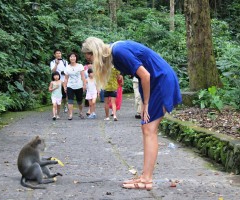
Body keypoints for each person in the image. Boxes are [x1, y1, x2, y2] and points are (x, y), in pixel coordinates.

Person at [82, 37, 182, 190]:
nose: (90, 62)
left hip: (161, 80)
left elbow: (146, 75)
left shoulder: (118, 51)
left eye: (89, 58)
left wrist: (146, 103)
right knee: (146, 128)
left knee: (149, 130)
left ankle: (147, 180)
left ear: (94, 52)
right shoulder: (115, 54)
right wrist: (144, 101)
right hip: (155, 82)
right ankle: (144, 176)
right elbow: (143, 75)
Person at [63, 52, 86, 120]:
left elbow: (83, 76)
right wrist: (65, 86)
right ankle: (70, 115)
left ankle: (81, 112)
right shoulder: (67, 67)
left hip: (79, 85)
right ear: (69, 58)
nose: (72, 58)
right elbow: (66, 78)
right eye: (71, 57)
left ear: (76, 58)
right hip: (70, 86)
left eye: (74, 56)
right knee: (70, 101)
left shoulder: (80, 66)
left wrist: (84, 85)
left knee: (80, 101)